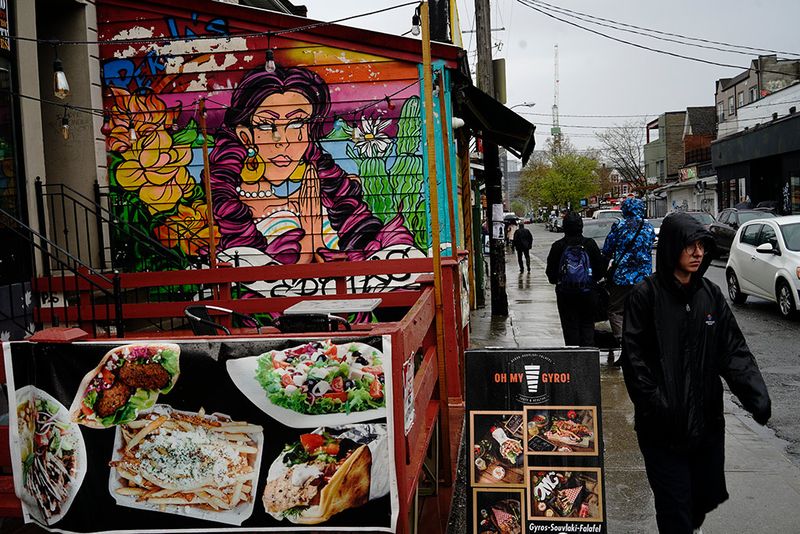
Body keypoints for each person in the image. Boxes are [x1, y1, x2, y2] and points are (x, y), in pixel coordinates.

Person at [620, 212, 771, 534]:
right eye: (690, 245)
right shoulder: (645, 296)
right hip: (663, 429)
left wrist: (754, 392)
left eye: (702, 245)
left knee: (701, 499)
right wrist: (657, 404)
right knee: (675, 506)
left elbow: (732, 350)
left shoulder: (710, 295)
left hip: (706, 424)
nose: (698, 252)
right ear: (673, 247)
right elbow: (634, 361)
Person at [209, 67, 414, 267]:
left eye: (297, 123)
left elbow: (370, 250)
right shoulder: (233, 203)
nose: (282, 140)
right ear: (246, 136)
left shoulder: (327, 188)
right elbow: (266, 277)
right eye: (266, 125)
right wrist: (310, 233)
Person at [601, 198, 655, 362]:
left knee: (615, 310)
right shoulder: (648, 227)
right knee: (640, 311)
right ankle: (641, 345)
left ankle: (624, 342)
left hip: (623, 278)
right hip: (644, 279)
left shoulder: (619, 226)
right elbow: (650, 243)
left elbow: (607, 250)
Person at [546, 212, 607, 346]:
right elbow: (600, 270)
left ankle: (573, 359)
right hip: (588, 293)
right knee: (587, 325)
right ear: (581, 226)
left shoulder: (558, 246)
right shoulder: (590, 244)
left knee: (570, 328)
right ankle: (588, 359)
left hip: (565, 295)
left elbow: (551, 274)